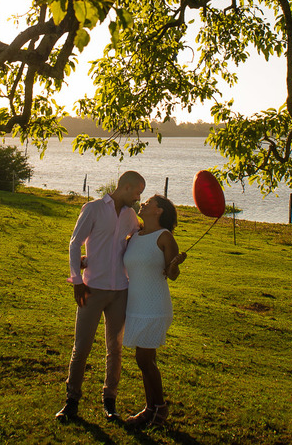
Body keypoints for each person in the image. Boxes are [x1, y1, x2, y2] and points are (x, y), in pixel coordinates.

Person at [56, 170, 145, 423]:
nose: (139, 197)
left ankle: (110, 402)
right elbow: (75, 243)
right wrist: (76, 281)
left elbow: (139, 238)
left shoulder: (130, 215)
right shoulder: (93, 209)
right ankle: (71, 402)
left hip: (120, 292)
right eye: (138, 191)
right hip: (92, 289)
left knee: (115, 349)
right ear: (126, 187)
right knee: (81, 347)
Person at [122, 194, 185, 428]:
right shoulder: (134, 236)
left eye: (149, 202)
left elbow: (172, 275)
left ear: (159, 211)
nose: (143, 203)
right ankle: (152, 409)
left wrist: (174, 264)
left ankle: (158, 408)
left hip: (155, 306)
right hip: (135, 305)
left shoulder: (165, 237)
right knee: (146, 360)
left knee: (144, 358)